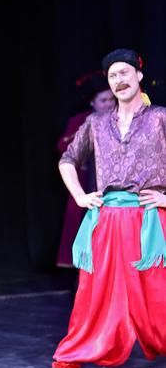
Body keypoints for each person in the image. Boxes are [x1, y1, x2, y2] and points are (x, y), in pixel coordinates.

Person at [27, 49, 166, 368]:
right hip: (106, 224)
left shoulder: (160, 118)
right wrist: (79, 195)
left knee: (159, 301)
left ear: (138, 76)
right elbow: (68, 160)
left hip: (150, 223)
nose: (119, 80)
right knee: (91, 303)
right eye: (112, 76)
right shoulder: (96, 122)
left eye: (124, 73)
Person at [56, 73, 114, 268]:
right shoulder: (82, 121)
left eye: (111, 99)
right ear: (92, 102)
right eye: (103, 100)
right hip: (87, 181)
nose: (108, 104)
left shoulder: (120, 119)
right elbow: (63, 149)